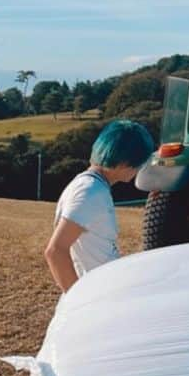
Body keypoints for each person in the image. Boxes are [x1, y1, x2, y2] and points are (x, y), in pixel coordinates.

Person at [44, 119, 155, 292]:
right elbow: (55, 251)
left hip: (104, 290)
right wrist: (78, 301)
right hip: (95, 294)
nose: (138, 171)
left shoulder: (93, 187)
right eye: (138, 164)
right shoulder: (89, 192)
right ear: (124, 163)